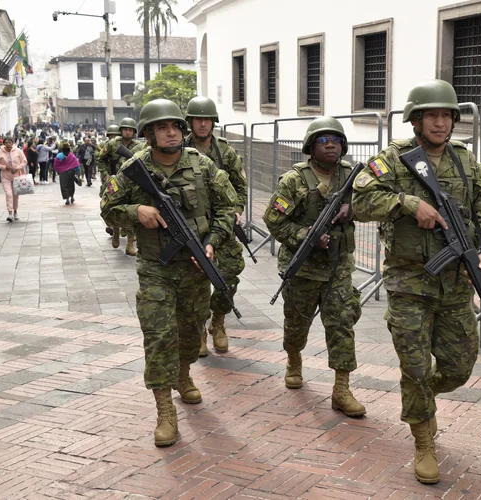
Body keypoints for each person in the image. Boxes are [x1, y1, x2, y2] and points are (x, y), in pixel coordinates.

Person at [352, 80, 481, 485]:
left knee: (458, 368)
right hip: (408, 283)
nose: (440, 122)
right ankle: (423, 441)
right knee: (415, 367)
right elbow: (359, 201)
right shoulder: (394, 160)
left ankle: (423, 400)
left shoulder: (468, 163)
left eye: (446, 115)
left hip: (455, 287)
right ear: (415, 119)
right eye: (431, 115)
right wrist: (407, 203)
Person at [100, 99, 237, 447]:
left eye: (176, 126)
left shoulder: (203, 166)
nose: (171, 132)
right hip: (155, 269)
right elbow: (107, 208)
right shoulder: (133, 168)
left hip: (194, 270)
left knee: (191, 334)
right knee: (159, 336)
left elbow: (227, 208)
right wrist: (136, 210)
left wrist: (212, 242)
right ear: (148, 133)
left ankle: (184, 374)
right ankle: (164, 410)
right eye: (162, 127)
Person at [262, 117, 366, 418]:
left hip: (338, 269)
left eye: (335, 139)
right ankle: (294, 359)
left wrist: (353, 208)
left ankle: (341, 389)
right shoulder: (294, 180)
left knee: (342, 325)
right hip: (304, 269)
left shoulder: (353, 176)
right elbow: (274, 219)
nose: (330, 144)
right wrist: (304, 236)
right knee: (297, 322)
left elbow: (376, 204)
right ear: (311, 147)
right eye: (323, 140)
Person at [184, 96, 247, 356]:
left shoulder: (225, 151)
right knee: (195, 279)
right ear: (190, 122)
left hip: (222, 224)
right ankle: (198, 328)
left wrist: (237, 209)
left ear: (213, 123)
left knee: (230, 273)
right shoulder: (179, 148)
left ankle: (218, 321)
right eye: (197, 119)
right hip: (192, 225)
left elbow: (240, 186)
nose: (202, 124)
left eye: (206, 119)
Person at [96, 117, 144, 256]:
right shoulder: (112, 144)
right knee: (115, 207)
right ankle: (115, 230)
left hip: (132, 183)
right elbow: (101, 159)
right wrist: (105, 175)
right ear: (121, 130)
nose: (127, 132)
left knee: (131, 212)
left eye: (130, 130)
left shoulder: (140, 146)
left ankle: (129, 244)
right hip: (115, 183)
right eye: (125, 129)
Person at [0, 136, 27, 222]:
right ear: (3, 143)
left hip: (16, 176)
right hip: (5, 176)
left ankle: (15, 211)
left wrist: (18, 167)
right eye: (6, 143)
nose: (8, 144)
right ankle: (10, 213)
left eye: (10, 142)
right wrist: (4, 167)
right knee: (9, 194)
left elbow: (24, 161)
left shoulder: (18, 151)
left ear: (12, 143)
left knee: (15, 195)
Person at [53, 141, 81, 205]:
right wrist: (78, 172)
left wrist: (58, 171)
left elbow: (56, 165)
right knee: (71, 185)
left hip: (63, 173)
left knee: (64, 186)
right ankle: (72, 197)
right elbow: (77, 165)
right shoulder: (72, 156)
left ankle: (67, 199)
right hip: (71, 172)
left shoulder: (59, 155)